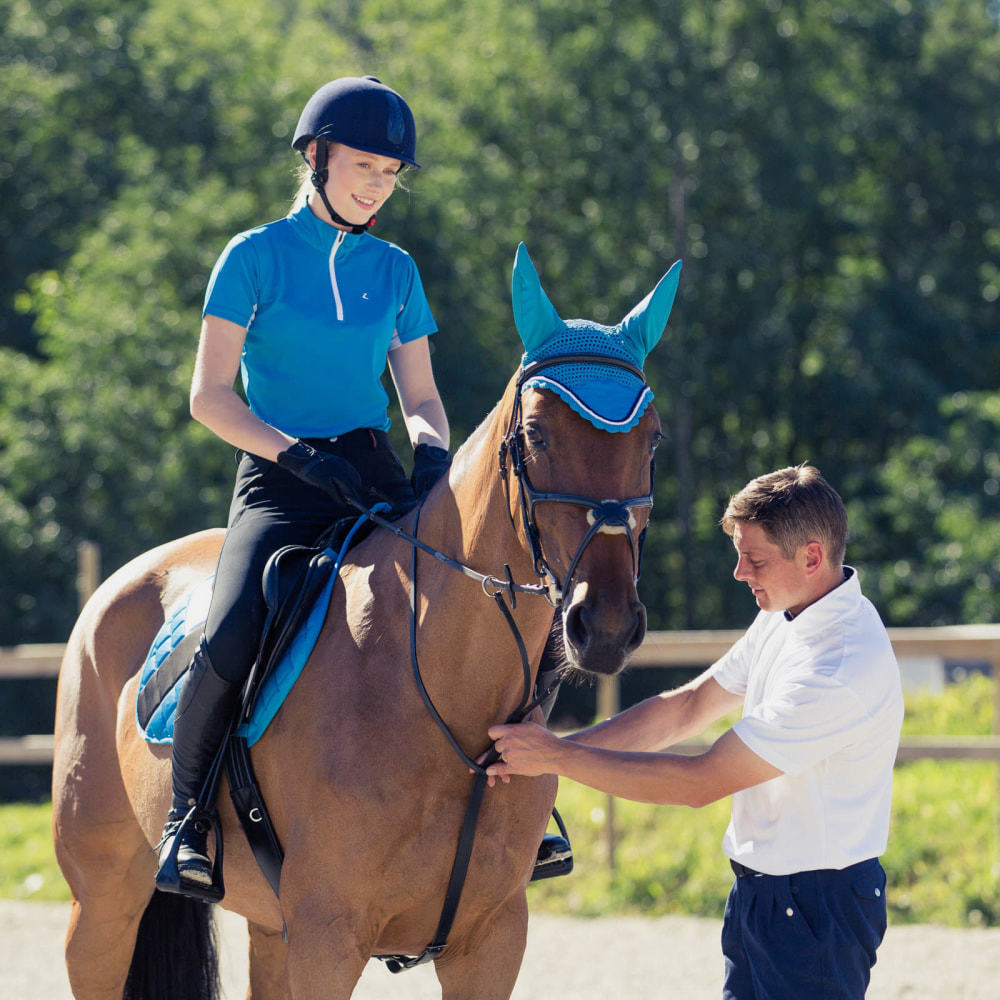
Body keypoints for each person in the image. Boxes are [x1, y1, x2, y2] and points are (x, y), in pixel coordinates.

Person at [155, 76, 452, 896]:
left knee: (475, 598)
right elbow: (208, 396)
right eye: (364, 165)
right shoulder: (251, 257)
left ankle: (514, 809)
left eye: (392, 172)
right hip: (280, 477)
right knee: (232, 626)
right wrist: (292, 455)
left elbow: (421, 398)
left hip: (375, 471)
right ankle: (188, 819)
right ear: (316, 157)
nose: (377, 185)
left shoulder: (395, 269)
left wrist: (430, 451)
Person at [486, 464, 904, 999]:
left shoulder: (837, 667)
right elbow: (685, 708)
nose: (738, 572)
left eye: (753, 559)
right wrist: (552, 751)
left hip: (817, 909)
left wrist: (555, 761)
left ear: (813, 556)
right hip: (762, 894)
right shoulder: (789, 612)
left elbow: (698, 783)